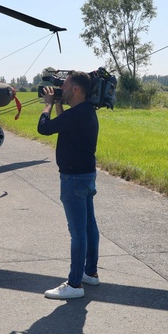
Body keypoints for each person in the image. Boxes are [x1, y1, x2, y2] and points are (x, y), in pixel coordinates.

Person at [37, 71, 100, 300]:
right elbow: (64, 126)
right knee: (89, 227)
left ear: (76, 90)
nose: (61, 89)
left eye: (65, 85)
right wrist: (58, 105)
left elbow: (44, 128)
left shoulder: (79, 113)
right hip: (85, 176)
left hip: (73, 179)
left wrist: (48, 105)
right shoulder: (84, 112)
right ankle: (90, 272)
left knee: (78, 233)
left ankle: (74, 285)